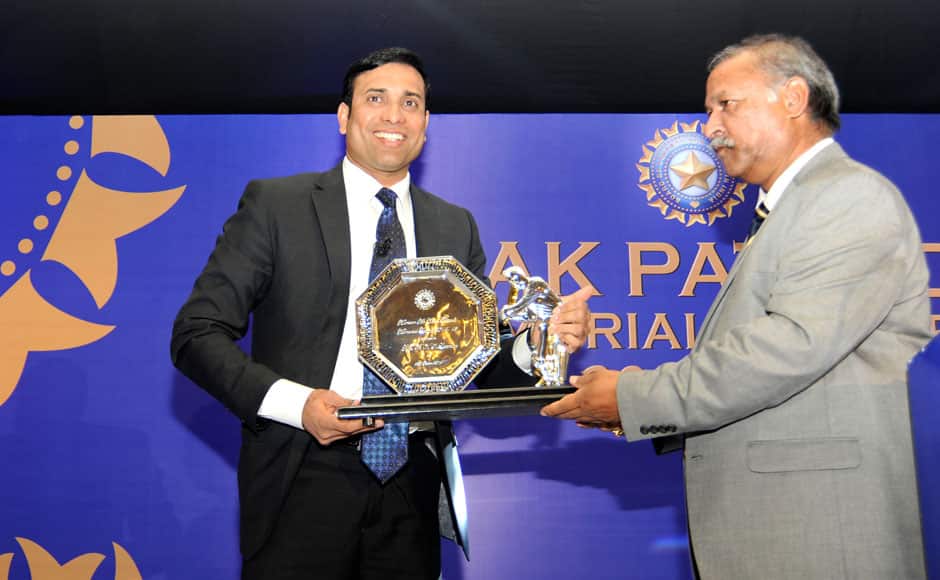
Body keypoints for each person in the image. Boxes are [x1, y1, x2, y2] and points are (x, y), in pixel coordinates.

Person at [170, 47, 591, 580]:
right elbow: (196, 335)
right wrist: (301, 407)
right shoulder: (278, 206)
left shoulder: (453, 226)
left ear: (425, 124)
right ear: (344, 116)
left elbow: (474, 366)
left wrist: (538, 342)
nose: (395, 115)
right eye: (376, 99)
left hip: (412, 482)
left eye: (410, 102)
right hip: (303, 473)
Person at [542, 34, 931, 579]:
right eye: (708, 110)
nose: (711, 127)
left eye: (727, 104)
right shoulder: (794, 208)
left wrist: (631, 398)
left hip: (818, 541)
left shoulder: (847, 196)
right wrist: (633, 402)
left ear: (794, 98)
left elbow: (782, 353)